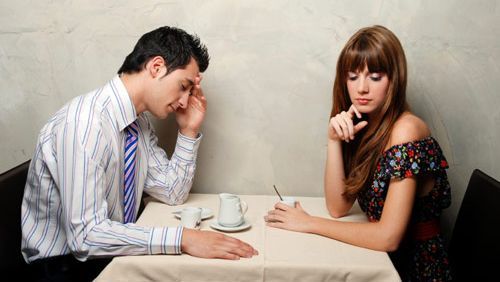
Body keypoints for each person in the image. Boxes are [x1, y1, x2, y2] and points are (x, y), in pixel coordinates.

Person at [21, 26, 257, 281]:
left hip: (110, 256)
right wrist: (182, 238)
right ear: (156, 67)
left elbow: (172, 192)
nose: (184, 102)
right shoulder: (85, 125)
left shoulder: (137, 124)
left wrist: (189, 130)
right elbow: (86, 237)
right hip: (62, 269)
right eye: (183, 86)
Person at [265, 25, 452, 281]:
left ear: (394, 80)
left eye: (375, 77)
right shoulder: (366, 124)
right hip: (379, 261)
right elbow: (338, 207)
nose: (361, 88)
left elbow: (388, 238)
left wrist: (309, 223)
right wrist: (333, 140)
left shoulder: (406, 130)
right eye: (353, 76)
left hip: (413, 269)